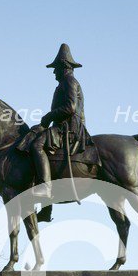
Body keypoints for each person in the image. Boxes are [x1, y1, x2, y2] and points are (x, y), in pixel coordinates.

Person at [17, 43, 94, 199]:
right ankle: (46, 207)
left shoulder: (69, 82)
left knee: (37, 145)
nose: (53, 72)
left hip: (68, 128)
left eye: (55, 68)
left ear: (63, 67)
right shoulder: (64, 83)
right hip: (62, 126)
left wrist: (49, 116)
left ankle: (45, 187)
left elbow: (71, 107)